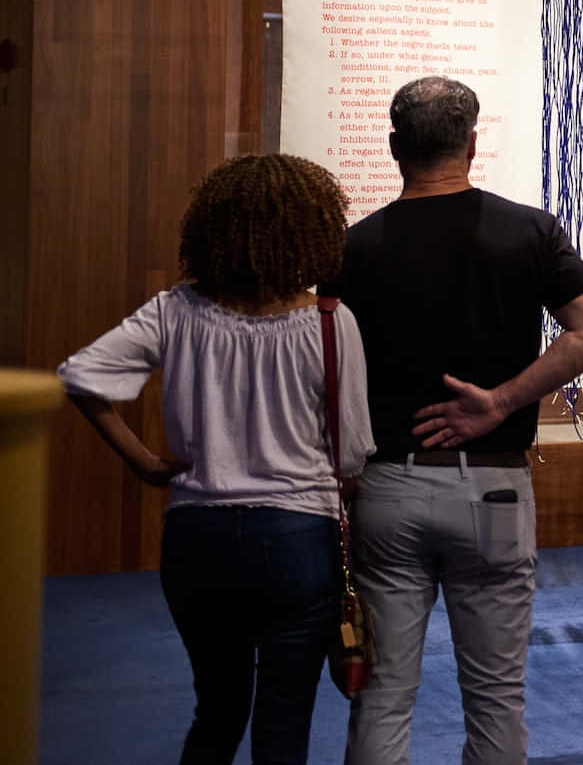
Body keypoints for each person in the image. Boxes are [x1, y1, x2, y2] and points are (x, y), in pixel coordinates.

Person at [58, 154, 374, 765]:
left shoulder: (173, 312)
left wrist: (144, 462)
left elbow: (81, 376)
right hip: (297, 539)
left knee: (217, 709)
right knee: (284, 722)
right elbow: (353, 459)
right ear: (314, 230)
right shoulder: (332, 323)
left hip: (196, 536)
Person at [337, 76, 583, 765]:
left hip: (388, 488)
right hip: (492, 489)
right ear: (471, 141)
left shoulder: (352, 248)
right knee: (496, 697)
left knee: (382, 694)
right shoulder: (527, 230)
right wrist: (499, 401)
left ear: (395, 146)